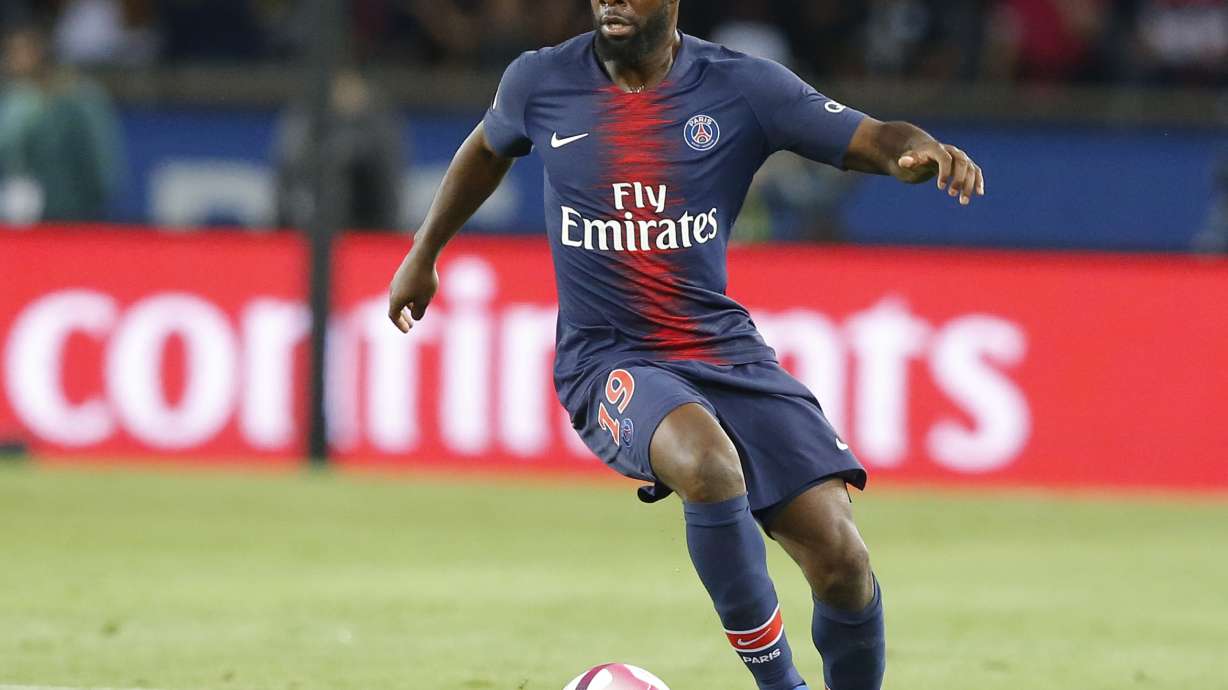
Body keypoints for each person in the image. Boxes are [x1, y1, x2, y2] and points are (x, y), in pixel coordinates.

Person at [387, 2, 985, 689]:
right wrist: (423, 251)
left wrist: (918, 153)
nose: (612, 0)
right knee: (705, 463)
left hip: (725, 351)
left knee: (842, 562)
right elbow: (487, 149)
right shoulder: (540, 81)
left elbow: (873, 135)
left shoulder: (741, 87)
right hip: (608, 358)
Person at [0, 21, 124, 223]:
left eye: (22, 51)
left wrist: (91, 204)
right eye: (10, 52)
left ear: (42, 54)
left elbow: (101, 161)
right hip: (18, 216)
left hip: (71, 213)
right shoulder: (11, 100)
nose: (13, 60)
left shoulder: (79, 97)